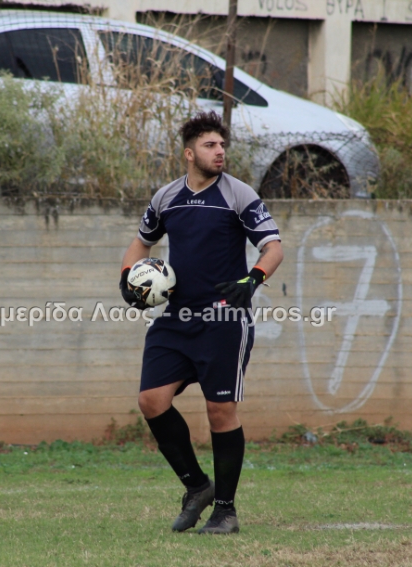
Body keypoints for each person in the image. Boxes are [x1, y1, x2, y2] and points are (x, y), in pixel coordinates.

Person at [118, 111, 283, 534]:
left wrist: (253, 279)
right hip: (175, 319)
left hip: (224, 319)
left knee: (220, 410)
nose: (219, 152)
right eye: (210, 145)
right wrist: (127, 278)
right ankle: (197, 486)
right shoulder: (166, 197)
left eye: (222, 145)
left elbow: (273, 248)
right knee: (151, 400)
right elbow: (140, 243)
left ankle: (225, 510)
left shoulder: (238, 194)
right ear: (190, 154)